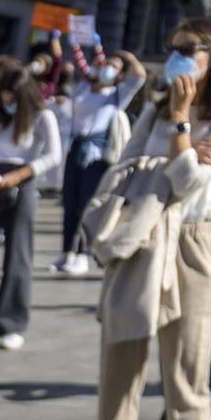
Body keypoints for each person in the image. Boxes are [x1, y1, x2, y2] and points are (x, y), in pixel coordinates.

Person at [94, 19, 211, 420]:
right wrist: (183, 148)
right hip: (141, 241)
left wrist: (182, 124)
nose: (177, 55)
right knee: (117, 386)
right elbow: (124, 166)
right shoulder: (155, 108)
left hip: (193, 244)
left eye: (188, 48)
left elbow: (184, 182)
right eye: (173, 47)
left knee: (187, 388)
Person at [0, 62, 64, 349]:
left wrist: (21, 175)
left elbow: (54, 155)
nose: (7, 101)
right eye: (4, 95)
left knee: (17, 255)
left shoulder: (42, 116)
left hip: (23, 181)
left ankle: (11, 324)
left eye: (12, 96)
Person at [55, 51, 145, 274]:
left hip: (97, 155)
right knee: (70, 203)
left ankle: (83, 253)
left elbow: (139, 76)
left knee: (87, 204)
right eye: (106, 64)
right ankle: (67, 251)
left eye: (114, 67)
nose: (107, 68)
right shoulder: (84, 89)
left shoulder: (116, 94)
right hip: (75, 149)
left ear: (120, 74)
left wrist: (126, 57)